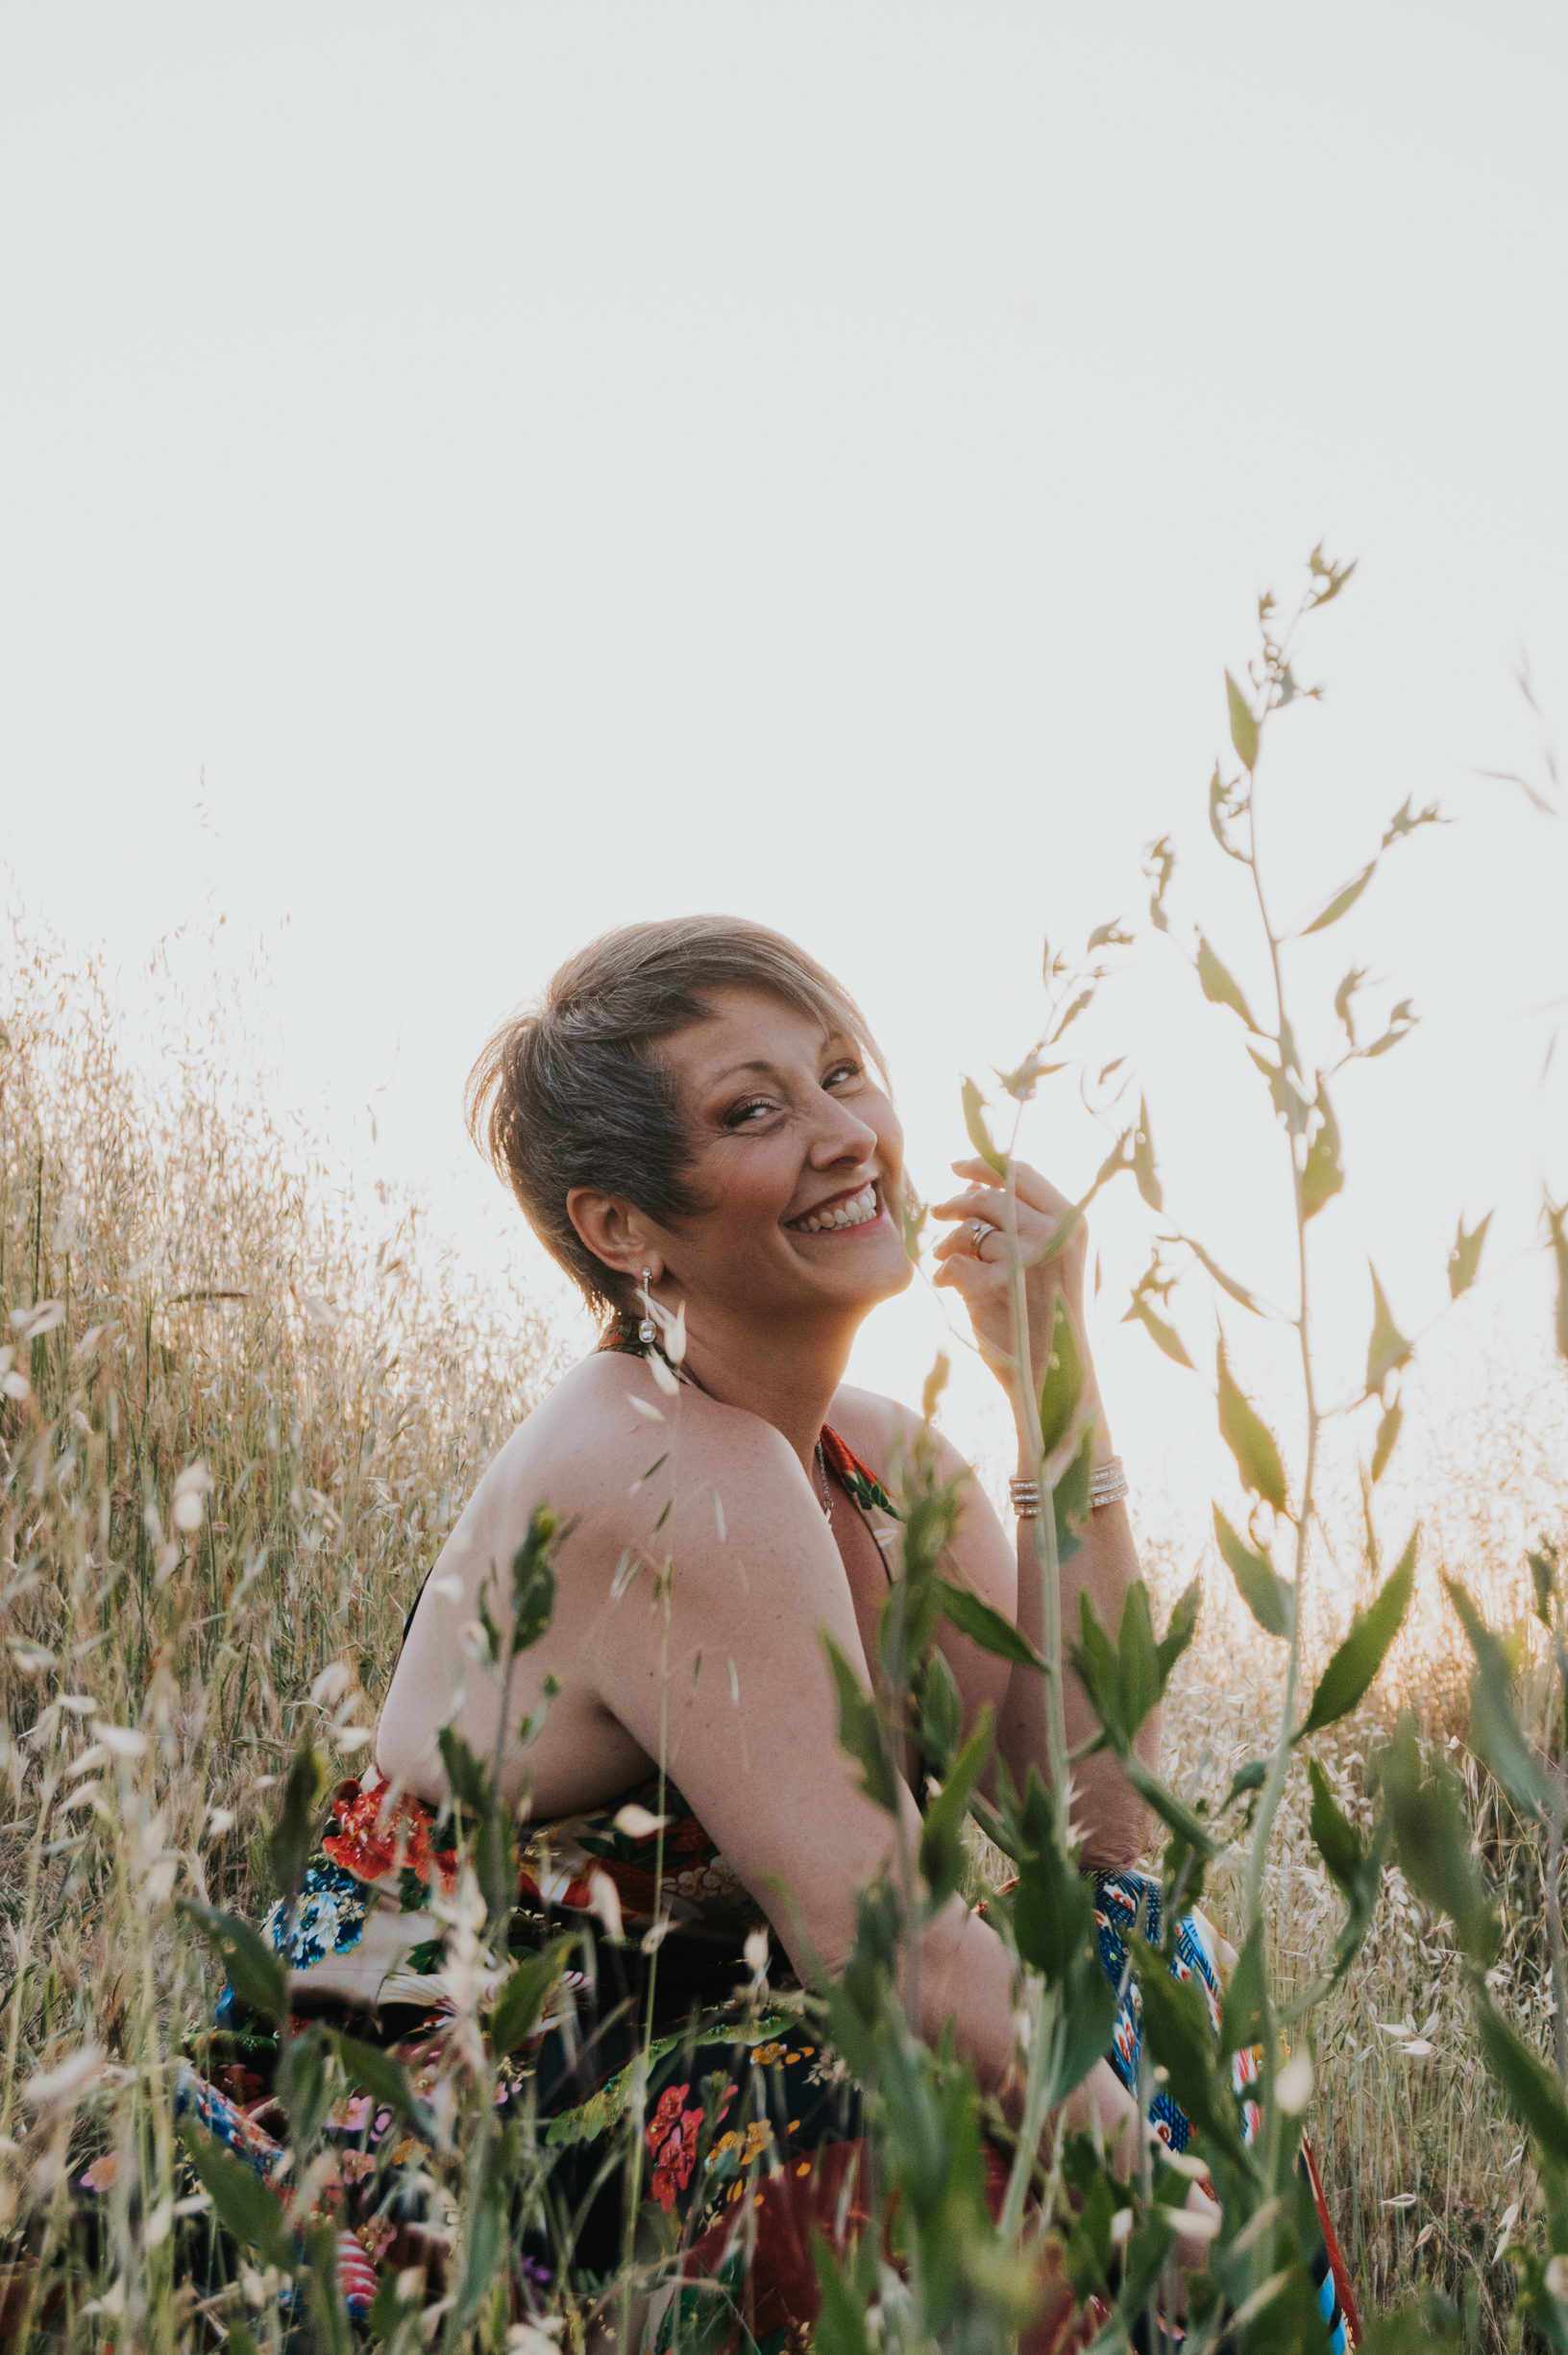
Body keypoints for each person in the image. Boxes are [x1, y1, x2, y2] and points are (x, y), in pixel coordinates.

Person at [186, 918, 1355, 2350]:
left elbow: (1095, 1825)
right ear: (622, 1229)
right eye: (754, 1110)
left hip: (708, 2049)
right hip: (452, 2100)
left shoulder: (876, 1462)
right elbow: (899, 1954)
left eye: (843, 1072)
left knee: (1153, 1958)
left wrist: (1056, 1382)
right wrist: (1162, 2209)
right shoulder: (655, 1464)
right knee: (919, 2145)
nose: (845, 1134)